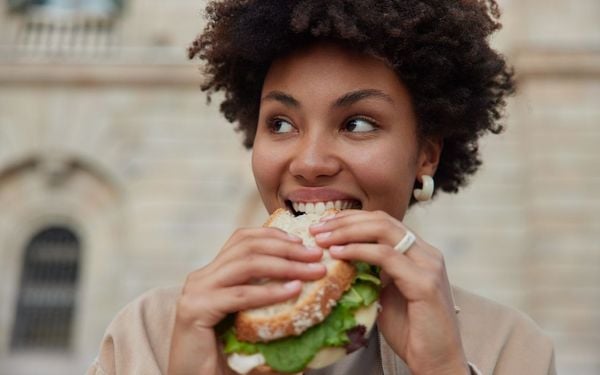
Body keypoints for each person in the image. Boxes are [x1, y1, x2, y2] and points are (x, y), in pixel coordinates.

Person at [88, 1, 556, 374]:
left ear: (426, 155)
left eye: (356, 123)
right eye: (281, 123)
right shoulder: (149, 334)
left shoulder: (510, 349)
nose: (309, 163)